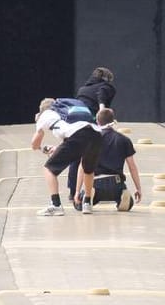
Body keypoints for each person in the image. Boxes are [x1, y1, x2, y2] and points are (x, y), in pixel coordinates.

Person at [31, 96, 103, 216]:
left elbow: (34, 144)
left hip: (78, 135)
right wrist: (55, 149)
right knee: (88, 169)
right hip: (96, 134)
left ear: (42, 109)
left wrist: (38, 124)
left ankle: (56, 205)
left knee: (49, 169)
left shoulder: (46, 114)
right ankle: (87, 203)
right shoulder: (66, 112)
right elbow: (70, 137)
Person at [67, 68, 117, 203]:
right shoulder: (107, 87)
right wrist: (102, 111)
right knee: (91, 156)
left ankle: (73, 192)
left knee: (75, 156)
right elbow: (101, 94)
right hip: (90, 121)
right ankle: (99, 189)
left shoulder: (82, 89)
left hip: (74, 120)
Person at [84, 108, 143, 212]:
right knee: (128, 203)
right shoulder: (124, 139)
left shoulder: (91, 139)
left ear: (97, 121)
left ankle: (88, 196)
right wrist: (138, 188)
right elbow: (132, 166)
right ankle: (124, 197)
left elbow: (82, 167)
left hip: (96, 182)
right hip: (116, 183)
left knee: (80, 203)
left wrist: (76, 192)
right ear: (113, 121)